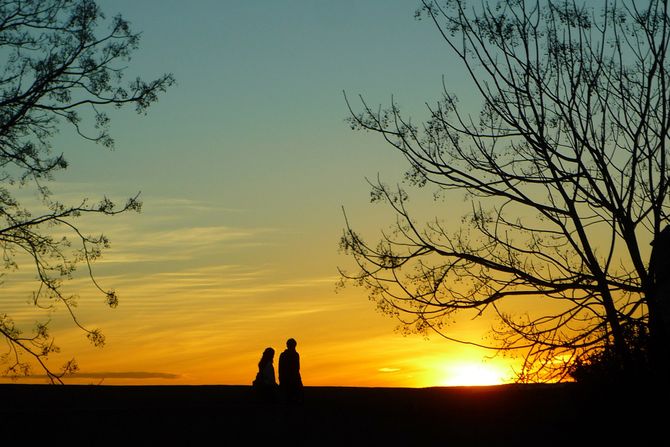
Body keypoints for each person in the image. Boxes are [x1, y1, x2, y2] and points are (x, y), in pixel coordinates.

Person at [278, 338, 303, 403]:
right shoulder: (295, 355)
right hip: (292, 379)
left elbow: (280, 368)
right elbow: (297, 368)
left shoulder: (283, 355)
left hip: (287, 378)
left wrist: (281, 378)